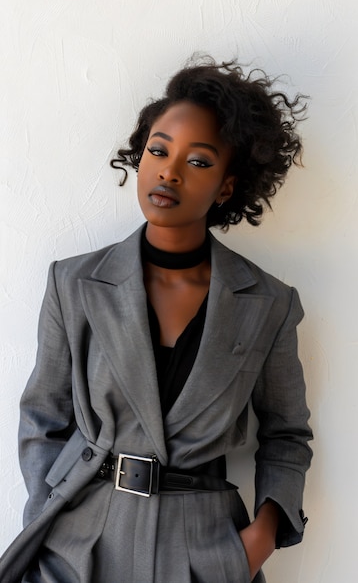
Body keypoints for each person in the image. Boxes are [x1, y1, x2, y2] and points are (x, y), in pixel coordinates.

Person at [0, 57, 313, 583]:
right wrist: (50, 516)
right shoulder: (73, 283)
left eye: (198, 161)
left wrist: (259, 539)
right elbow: (43, 419)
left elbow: (287, 434)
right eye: (159, 150)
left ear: (228, 187)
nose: (168, 171)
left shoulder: (268, 303)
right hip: (78, 548)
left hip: (206, 552)